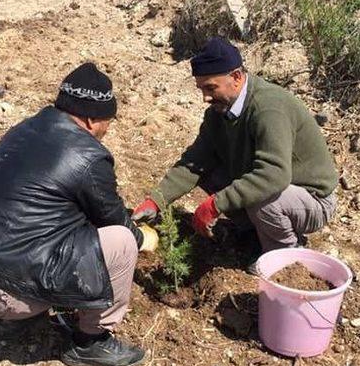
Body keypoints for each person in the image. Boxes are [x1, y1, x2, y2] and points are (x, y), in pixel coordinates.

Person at [0, 63, 157, 366]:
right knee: (122, 242)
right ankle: (91, 343)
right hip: (2, 296)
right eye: (107, 122)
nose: (107, 131)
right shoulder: (87, 156)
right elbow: (114, 222)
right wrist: (143, 237)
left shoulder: (26, 128)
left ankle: (18, 309)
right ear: (90, 119)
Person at [132, 37, 338, 262]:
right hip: (281, 190)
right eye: (201, 88)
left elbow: (274, 175)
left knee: (264, 200)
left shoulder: (269, 108)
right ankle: (254, 232)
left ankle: (284, 257)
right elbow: (195, 161)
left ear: (237, 77)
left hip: (311, 199)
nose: (205, 98)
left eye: (211, 88)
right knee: (211, 172)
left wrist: (215, 204)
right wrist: (156, 200)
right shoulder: (218, 113)